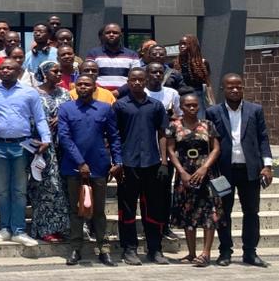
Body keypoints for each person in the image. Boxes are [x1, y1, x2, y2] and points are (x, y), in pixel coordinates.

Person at [206, 74, 273, 267]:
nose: (235, 90)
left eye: (238, 87)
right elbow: (209, 142)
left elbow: (263, 138)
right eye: (230, 87)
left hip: (250, 170)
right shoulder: (213, 112)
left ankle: (250, 252)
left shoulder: (255, 110)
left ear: (243, 88)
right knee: (223, 212)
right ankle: (225, 251)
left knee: (251, 212)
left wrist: (267, 166)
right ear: (223, 89)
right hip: (223, 171)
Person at [57, 74, 122, 266]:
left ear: (94, 88)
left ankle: (104, 249)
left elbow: (114, 136)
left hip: (99, 166)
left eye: (87, 84)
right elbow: (64, 138)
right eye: (80, 84)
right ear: (75, 87)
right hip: (73, 167)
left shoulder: (105, 108)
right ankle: (76, 248)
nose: (83, 87)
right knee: (76, 210)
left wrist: (118, 160)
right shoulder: (66, 108)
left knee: (99, 211)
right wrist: (80, 163)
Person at [0, 59, 51, 246]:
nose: (5, 71)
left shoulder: (29, 92)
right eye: (2, 68)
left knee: (19, 190)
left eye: (10, 68)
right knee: (2, 190)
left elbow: (39, 118)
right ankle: (5, 229)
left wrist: (46, 138)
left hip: (22, 146)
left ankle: (19, 230)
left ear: (18, 71)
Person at [113, 67, 170, 266]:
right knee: (127, 208)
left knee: (153, 208)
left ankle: (155, 249)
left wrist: (164, 161)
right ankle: (129, 249)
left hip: (152, 162)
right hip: (128, 164)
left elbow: (162, 134)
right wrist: (116, 162)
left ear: (146, 81)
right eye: (133, 79)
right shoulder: (120, 106)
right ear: (128, 82)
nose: (137, 82)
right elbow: (114, 135)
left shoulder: (156, 106)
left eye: (140, 79)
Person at [167, 93, 223, 267]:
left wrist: (205, 167)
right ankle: (191, 253)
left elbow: (216, 148)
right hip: (185, 175)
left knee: (209, 213)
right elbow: (170, 150)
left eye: (195, 105)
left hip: (206, 174)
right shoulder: (174, 126)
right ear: (181, 107)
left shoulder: (207, 125)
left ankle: (205, 253)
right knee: (188, 212)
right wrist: (181, 171)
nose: (192, 108)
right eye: (188, 105)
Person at [28, 61, 71, 243]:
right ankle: (45, 228)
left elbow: (72, 113)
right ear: (45, 74)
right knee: (48, 187)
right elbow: (29, 117)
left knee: (62, 187)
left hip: (63, 146)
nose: (59, 74)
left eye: (60, 71)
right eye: (55, 71)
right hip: (43, 147)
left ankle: (62, 227)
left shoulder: (65, 93)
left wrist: (61, 118)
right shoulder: (34, 93)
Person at [84, 23, 139, 94]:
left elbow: (136, 77)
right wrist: (105, 93)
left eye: (115, 33)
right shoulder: (93, 53)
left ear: (121, 35)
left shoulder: (132, 55)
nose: (111, 34)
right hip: (98, 95)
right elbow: (88, 75)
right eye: (108, 33)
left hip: (124, 96)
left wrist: (118, 92)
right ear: (103, 35)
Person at [173, 34, 213, 113]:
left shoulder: (202, 63)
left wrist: (212, 102)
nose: (181, 46)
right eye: (180, 44)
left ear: (193, 45)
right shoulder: (175, 63)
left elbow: (208, 84)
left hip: (197, 96)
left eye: (184, 44)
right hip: (181, 95)